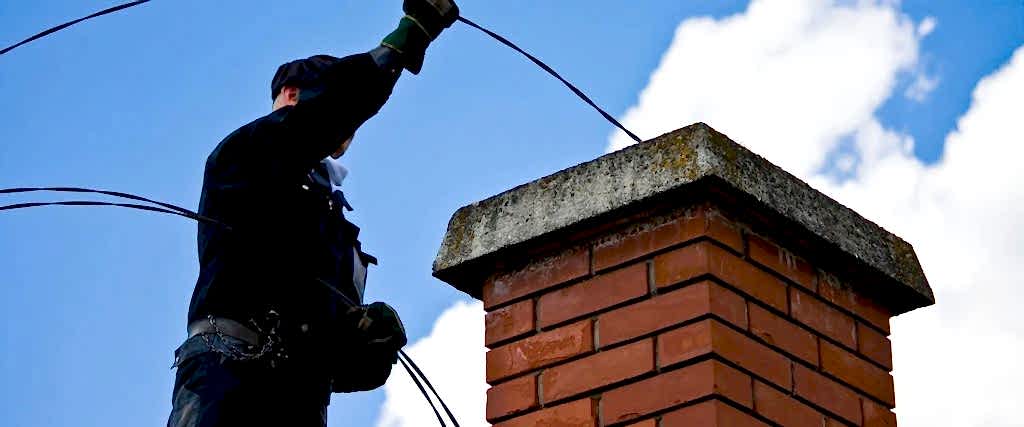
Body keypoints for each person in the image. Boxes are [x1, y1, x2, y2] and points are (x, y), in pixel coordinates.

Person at [166, 1, 459, 425]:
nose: (346, 129)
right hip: (226, 383)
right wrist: (409, 35)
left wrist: (370, 344)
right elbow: (327, 114)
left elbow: (338, 363)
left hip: (298, 403)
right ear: (290, 96)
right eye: (332, 106)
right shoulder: (246, 154)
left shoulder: (336, 230)